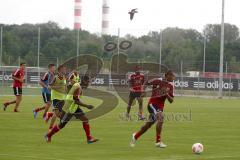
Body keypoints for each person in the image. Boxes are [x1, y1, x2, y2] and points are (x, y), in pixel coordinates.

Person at [45, 75, 98, 144]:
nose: (88, 83)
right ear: (84, 81)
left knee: (85, 119)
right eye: (88, 82)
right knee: (61, 125)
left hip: (74, 107)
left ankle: (89, 138)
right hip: (69, 108)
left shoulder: (77, 85)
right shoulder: (78, 88)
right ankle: (48, 135)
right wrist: (87, 106)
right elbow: (76, 101)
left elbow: (69, 87)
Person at [130, 70, 175, 148]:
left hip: (160, 107)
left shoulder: (171, 86)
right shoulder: (158, 80)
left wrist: (166, 94)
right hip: (152, 104)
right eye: (172, 76)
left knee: (147, 125)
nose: (173, 78)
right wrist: (143, 91)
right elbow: (146, 82)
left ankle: (135, 136)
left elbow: (171, 101)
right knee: (161, 118)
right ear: (166, 75)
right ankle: (158, 142)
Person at [48, 65, 67, 130]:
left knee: (59, 114)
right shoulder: (55, 78)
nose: (65, 70)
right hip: (56, 97)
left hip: (62, 98)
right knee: (56, 114)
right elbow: (49, 87)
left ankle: (57, 126)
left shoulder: (64, 77)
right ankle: (51, 127)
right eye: (64, 69)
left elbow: (64, 87)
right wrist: (58, 87)